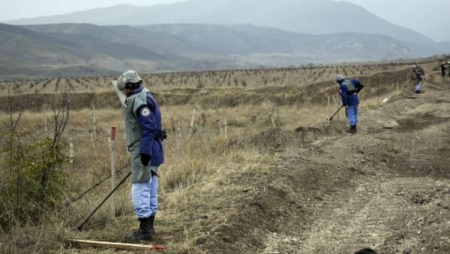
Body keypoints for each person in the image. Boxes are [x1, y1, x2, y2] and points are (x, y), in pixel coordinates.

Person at [117, 70, 165, 242]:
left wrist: (144, 152)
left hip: (145, 150)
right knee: (150, 188)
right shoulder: (146, 95)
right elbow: (155, 125)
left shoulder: (139, 101)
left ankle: (145, 230)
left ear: (130, 86)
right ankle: (149, 228)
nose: (123, 90)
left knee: (140, 188)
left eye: (124, 87)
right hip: (153, 149)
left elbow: (149, 127)